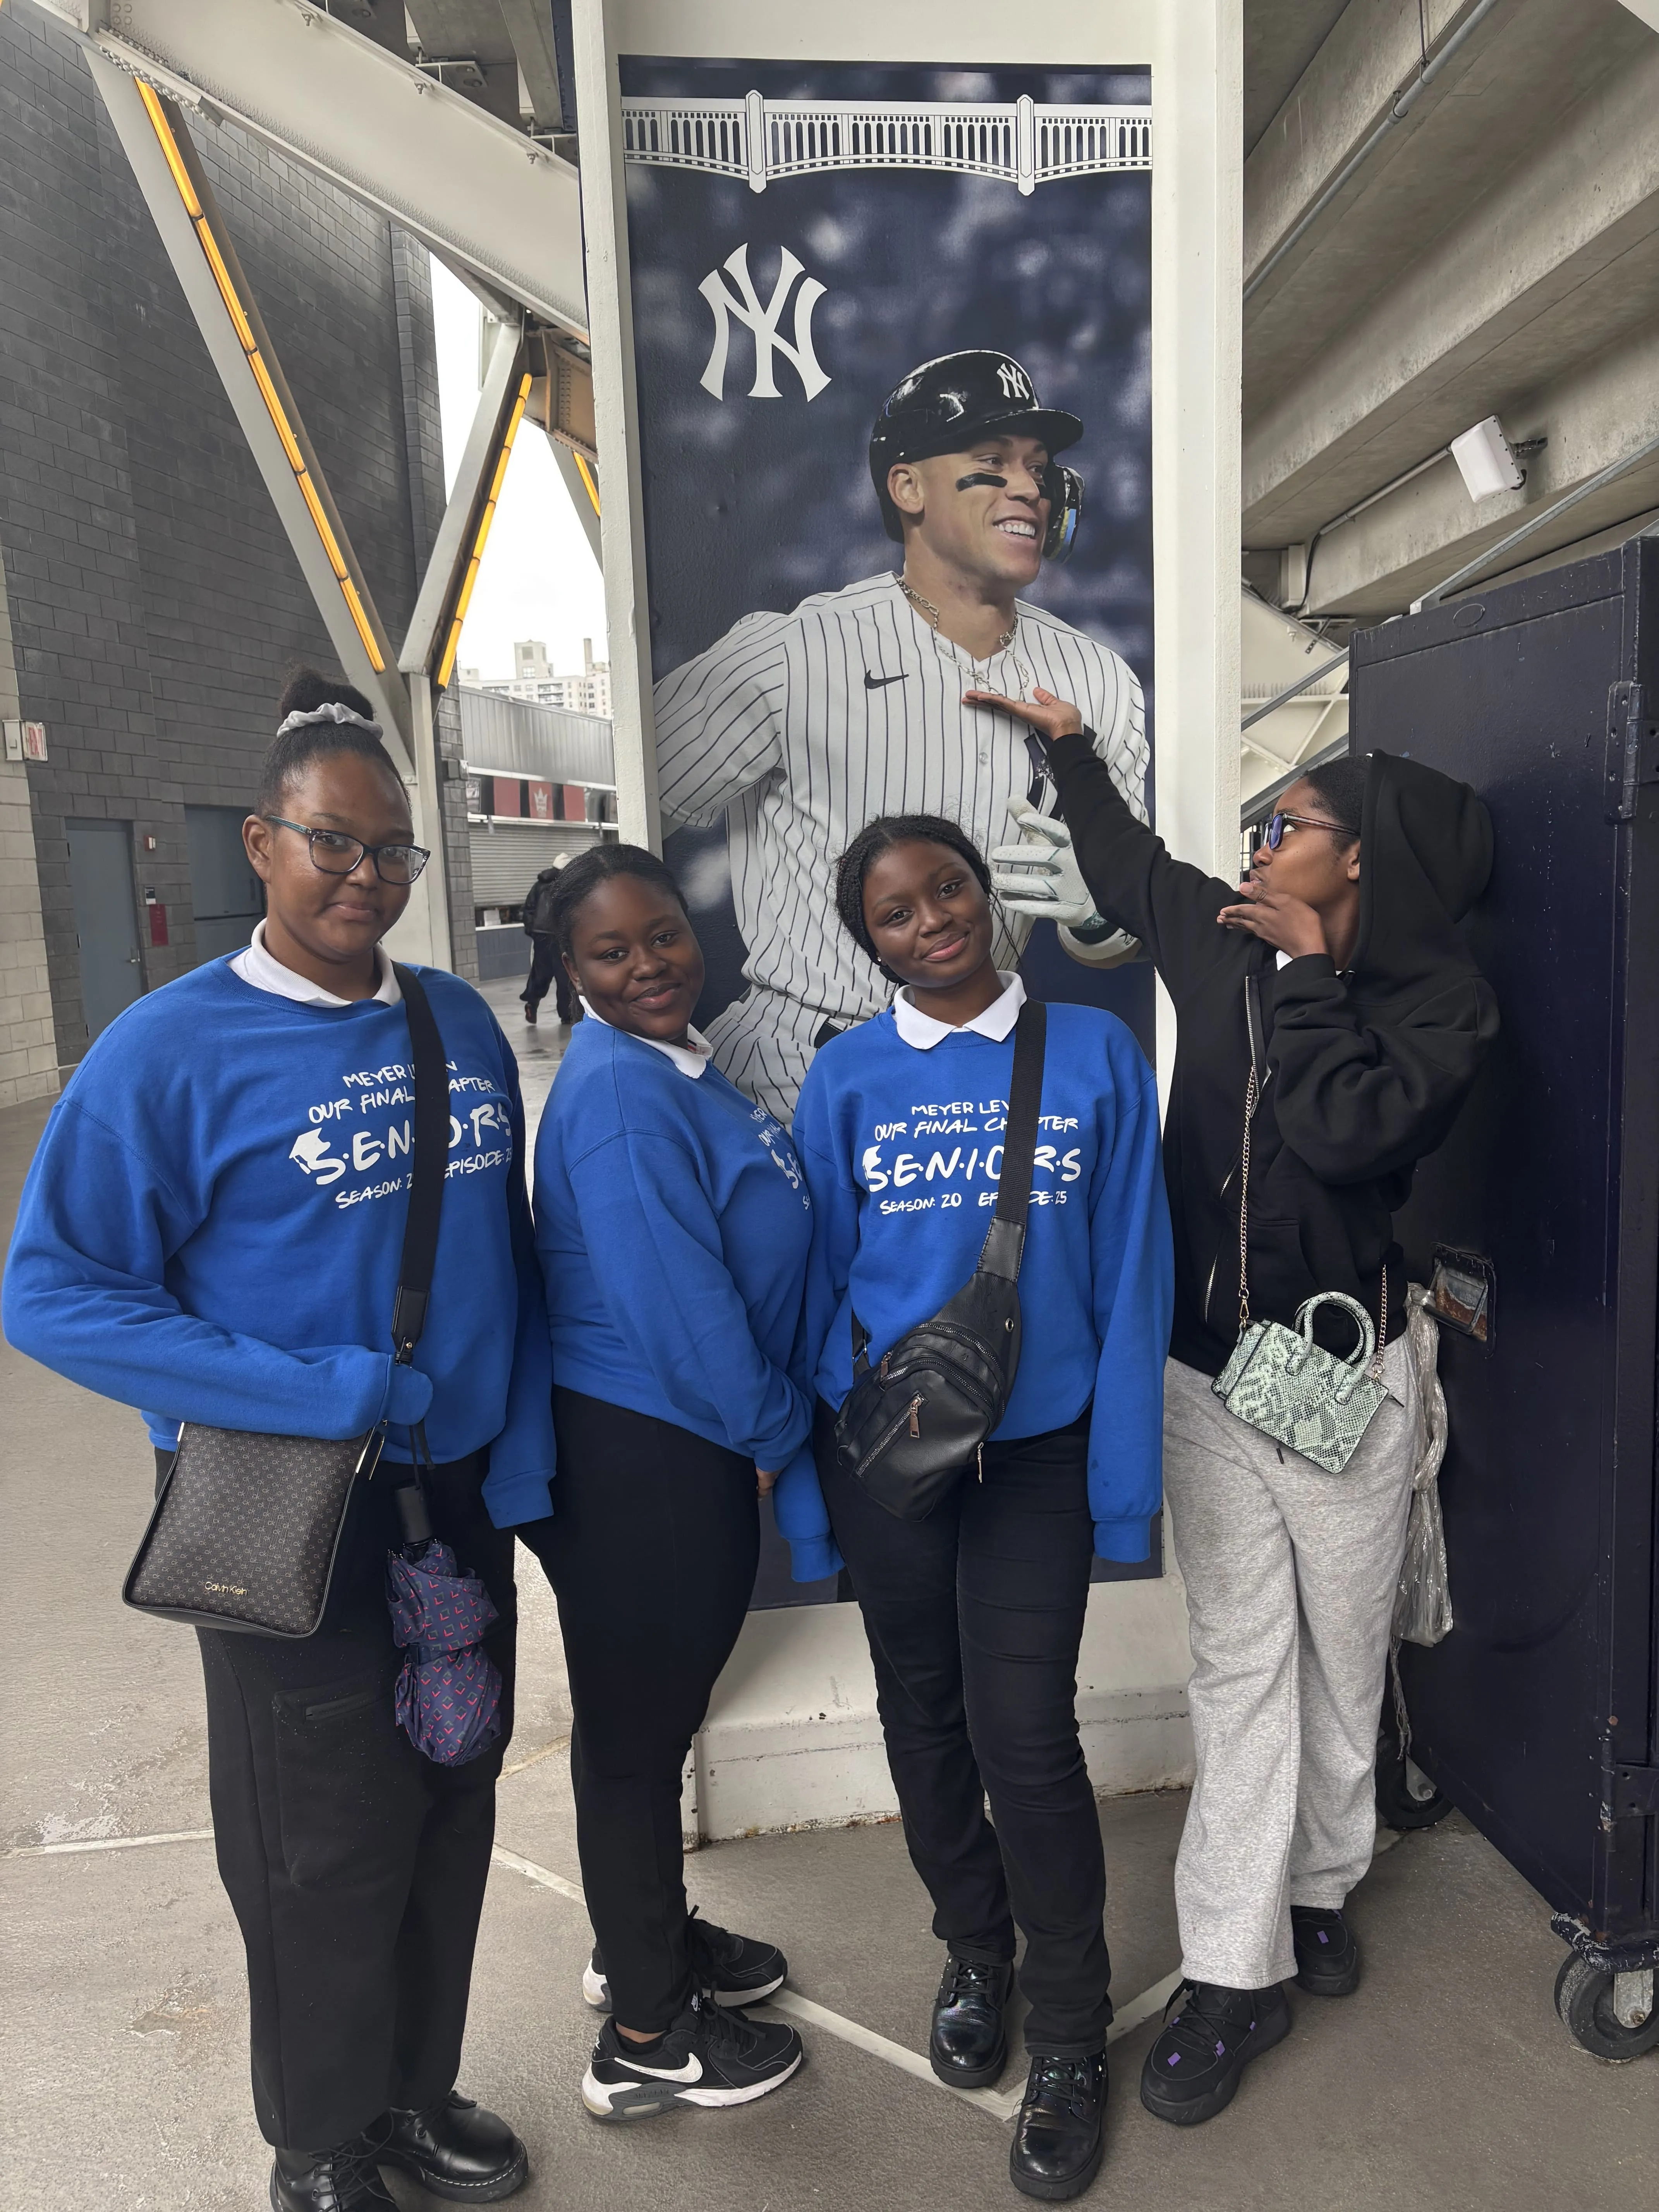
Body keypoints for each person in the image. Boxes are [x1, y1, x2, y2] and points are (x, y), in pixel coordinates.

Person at [3, 671, 555, 2212]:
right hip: (282, 1502)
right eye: (333, 844)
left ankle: (416, 2097)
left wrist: (508, 1459)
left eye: (393, 854)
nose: (365, 877)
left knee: (451, 1797)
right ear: (262, 843)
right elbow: (52, 1295)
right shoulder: (162, 1056)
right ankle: (321, 2146)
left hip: (450, 1509)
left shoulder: (453, 1021)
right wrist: (310, 1388)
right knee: (323, 1848)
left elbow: (497, 1259)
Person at [984, 691, 1496, 2126]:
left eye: (1290, 827)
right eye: (1256, 825)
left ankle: (1327, 1875)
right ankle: (1232, 1966)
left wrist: (1314, 975)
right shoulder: (1218, 940)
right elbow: (1122, 857)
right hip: (1210, 1377)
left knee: (1341, 1662)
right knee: (1241, 1670)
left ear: (1366, 858)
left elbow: (1342, 1132)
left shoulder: (1444, 1008)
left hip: (1345, 1381)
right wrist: (1068, 751)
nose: (1257, 845)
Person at [790, 814, 1173, 2202]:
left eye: (945, 887)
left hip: (1039, 1458)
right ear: (869, 937)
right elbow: (819, 1286)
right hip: (892, 1460)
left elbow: (1134, 1278)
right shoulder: (841, 1078)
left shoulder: (1093, 1056)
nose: (931, 919)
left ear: (983, 893)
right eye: (895, 911)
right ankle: (974, 1946)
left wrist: (1125, 1501)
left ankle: (1069, 2038)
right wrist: (816, 1500)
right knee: (923, 1710)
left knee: (1025, 1730)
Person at [515, 843, 831, 2123]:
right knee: (639, 1748)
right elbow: (678, 1309)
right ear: (571, 970)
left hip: (675, 1442)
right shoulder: (617, 1094)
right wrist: (766, 1431)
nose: (648, 964)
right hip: (652, 1450)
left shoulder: (674, 1067)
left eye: (660, 935)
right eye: (610, 951)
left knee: (640, 1733)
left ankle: (642, 1946)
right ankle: (648, 2034)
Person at [653, 349, 1148, 1121]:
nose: (1027, 487)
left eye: (1039, 468)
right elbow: (634, 792)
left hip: (980, 1071)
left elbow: (1127, 930)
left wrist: (1098, 910)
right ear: (907, 486)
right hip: (795, 1078)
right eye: (991, 462)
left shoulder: (1100, 679)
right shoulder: (793, 654)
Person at [520, 854, 577, 1027]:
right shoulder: (569, 885)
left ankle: (532, 1003)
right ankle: (566, 1016)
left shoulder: (538, 885)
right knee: (565, 977)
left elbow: (529, 909)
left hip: (541, 937)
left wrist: (532, 932)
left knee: (540, 973)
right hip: (560, 937)